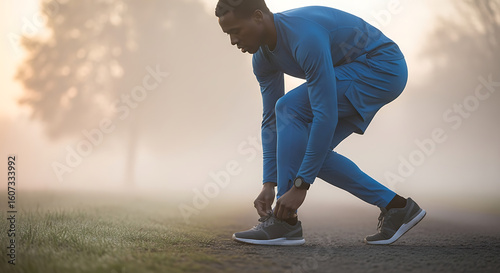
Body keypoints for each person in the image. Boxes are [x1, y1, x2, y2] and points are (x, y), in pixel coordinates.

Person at [215, 0, 426, 246]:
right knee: (307, 150)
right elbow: (271, 121)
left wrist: (301, 185)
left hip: (381, 66)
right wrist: (268, 182)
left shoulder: (304, 37)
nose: (232, 41)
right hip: (357, 70)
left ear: (258, 17)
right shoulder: (262, 59)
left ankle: (284, 223)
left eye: (235, 31)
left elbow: (323, 114)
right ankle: (397, 207)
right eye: (228, 34)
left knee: (290, 107)